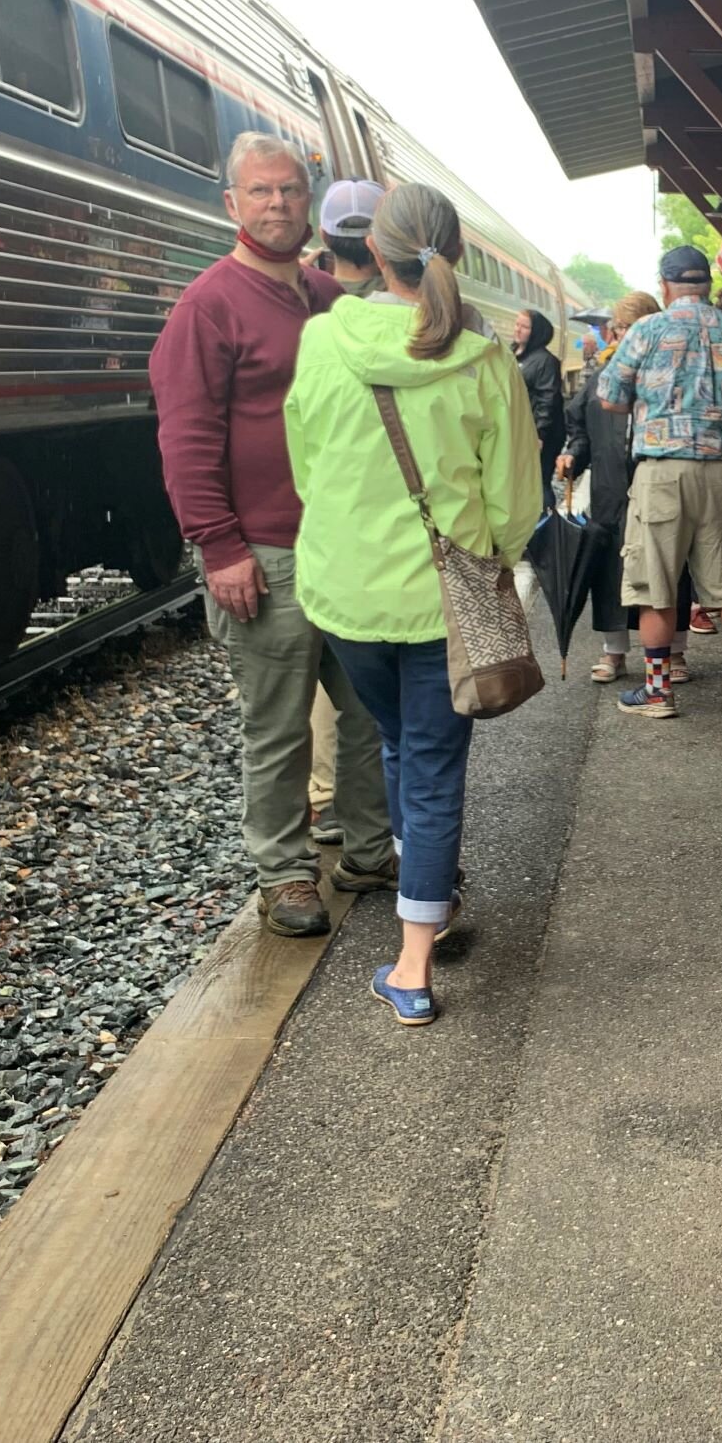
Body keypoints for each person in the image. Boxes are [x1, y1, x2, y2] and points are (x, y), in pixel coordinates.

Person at [283, 182, 540, 1026]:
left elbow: (307, 465)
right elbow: (511, 502)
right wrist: (493, 558)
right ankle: (413, 961)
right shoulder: (484, 357)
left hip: (344, 592)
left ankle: (426, 893)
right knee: (431, 769)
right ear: (453, 255)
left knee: (395, 746)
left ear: (368, 253)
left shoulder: (324, 338)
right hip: (438, 603)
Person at [147, 132, 394, 937]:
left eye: (289, 191)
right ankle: (285, 874)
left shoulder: (331, 300)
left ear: (308, 200)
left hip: (348, 547)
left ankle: (365, 849)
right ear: (232, 204)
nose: (277, 205)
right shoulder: (208, 305)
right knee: (279, 724)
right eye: (260, 192)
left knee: (367, 713)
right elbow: (185, 437)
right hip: (268, 552)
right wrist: (219, 547)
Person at [596, 245, 722, 720]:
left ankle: (658, 693)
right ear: (706, 283)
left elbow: (609, 397)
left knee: (656, 582)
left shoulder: (647, 329)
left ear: (665, 285)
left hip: (662, 472)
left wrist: (651, 412)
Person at [307, 178, 387, 845]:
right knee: (403, 720)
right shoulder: (441, 322)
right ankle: (394, 848)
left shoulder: (311, 321)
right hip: (413, 549)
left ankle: (333, 802)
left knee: (325, 693)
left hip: (330, 543)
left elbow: (302, 449)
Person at [558, 290, 661, 684]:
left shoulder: (664, 374)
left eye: (632, 328)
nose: (623, 336)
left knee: (664, 568)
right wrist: (573, 456)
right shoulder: (602, 375)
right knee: (610, 571)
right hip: (608, 485)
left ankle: (673, 651)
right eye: (621, 329)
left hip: (652, 481)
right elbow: (580, 428)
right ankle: (614, 651)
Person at [512, 308, 566, 489]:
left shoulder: (545, 361)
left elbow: (547, 399)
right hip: (518, 429)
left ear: (536, 332)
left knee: (537, 483)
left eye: (524, 326)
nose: (518, 329)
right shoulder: (513, 354)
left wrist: (539, 433)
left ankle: (546, 515)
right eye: (517, 324)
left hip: (538, 433)